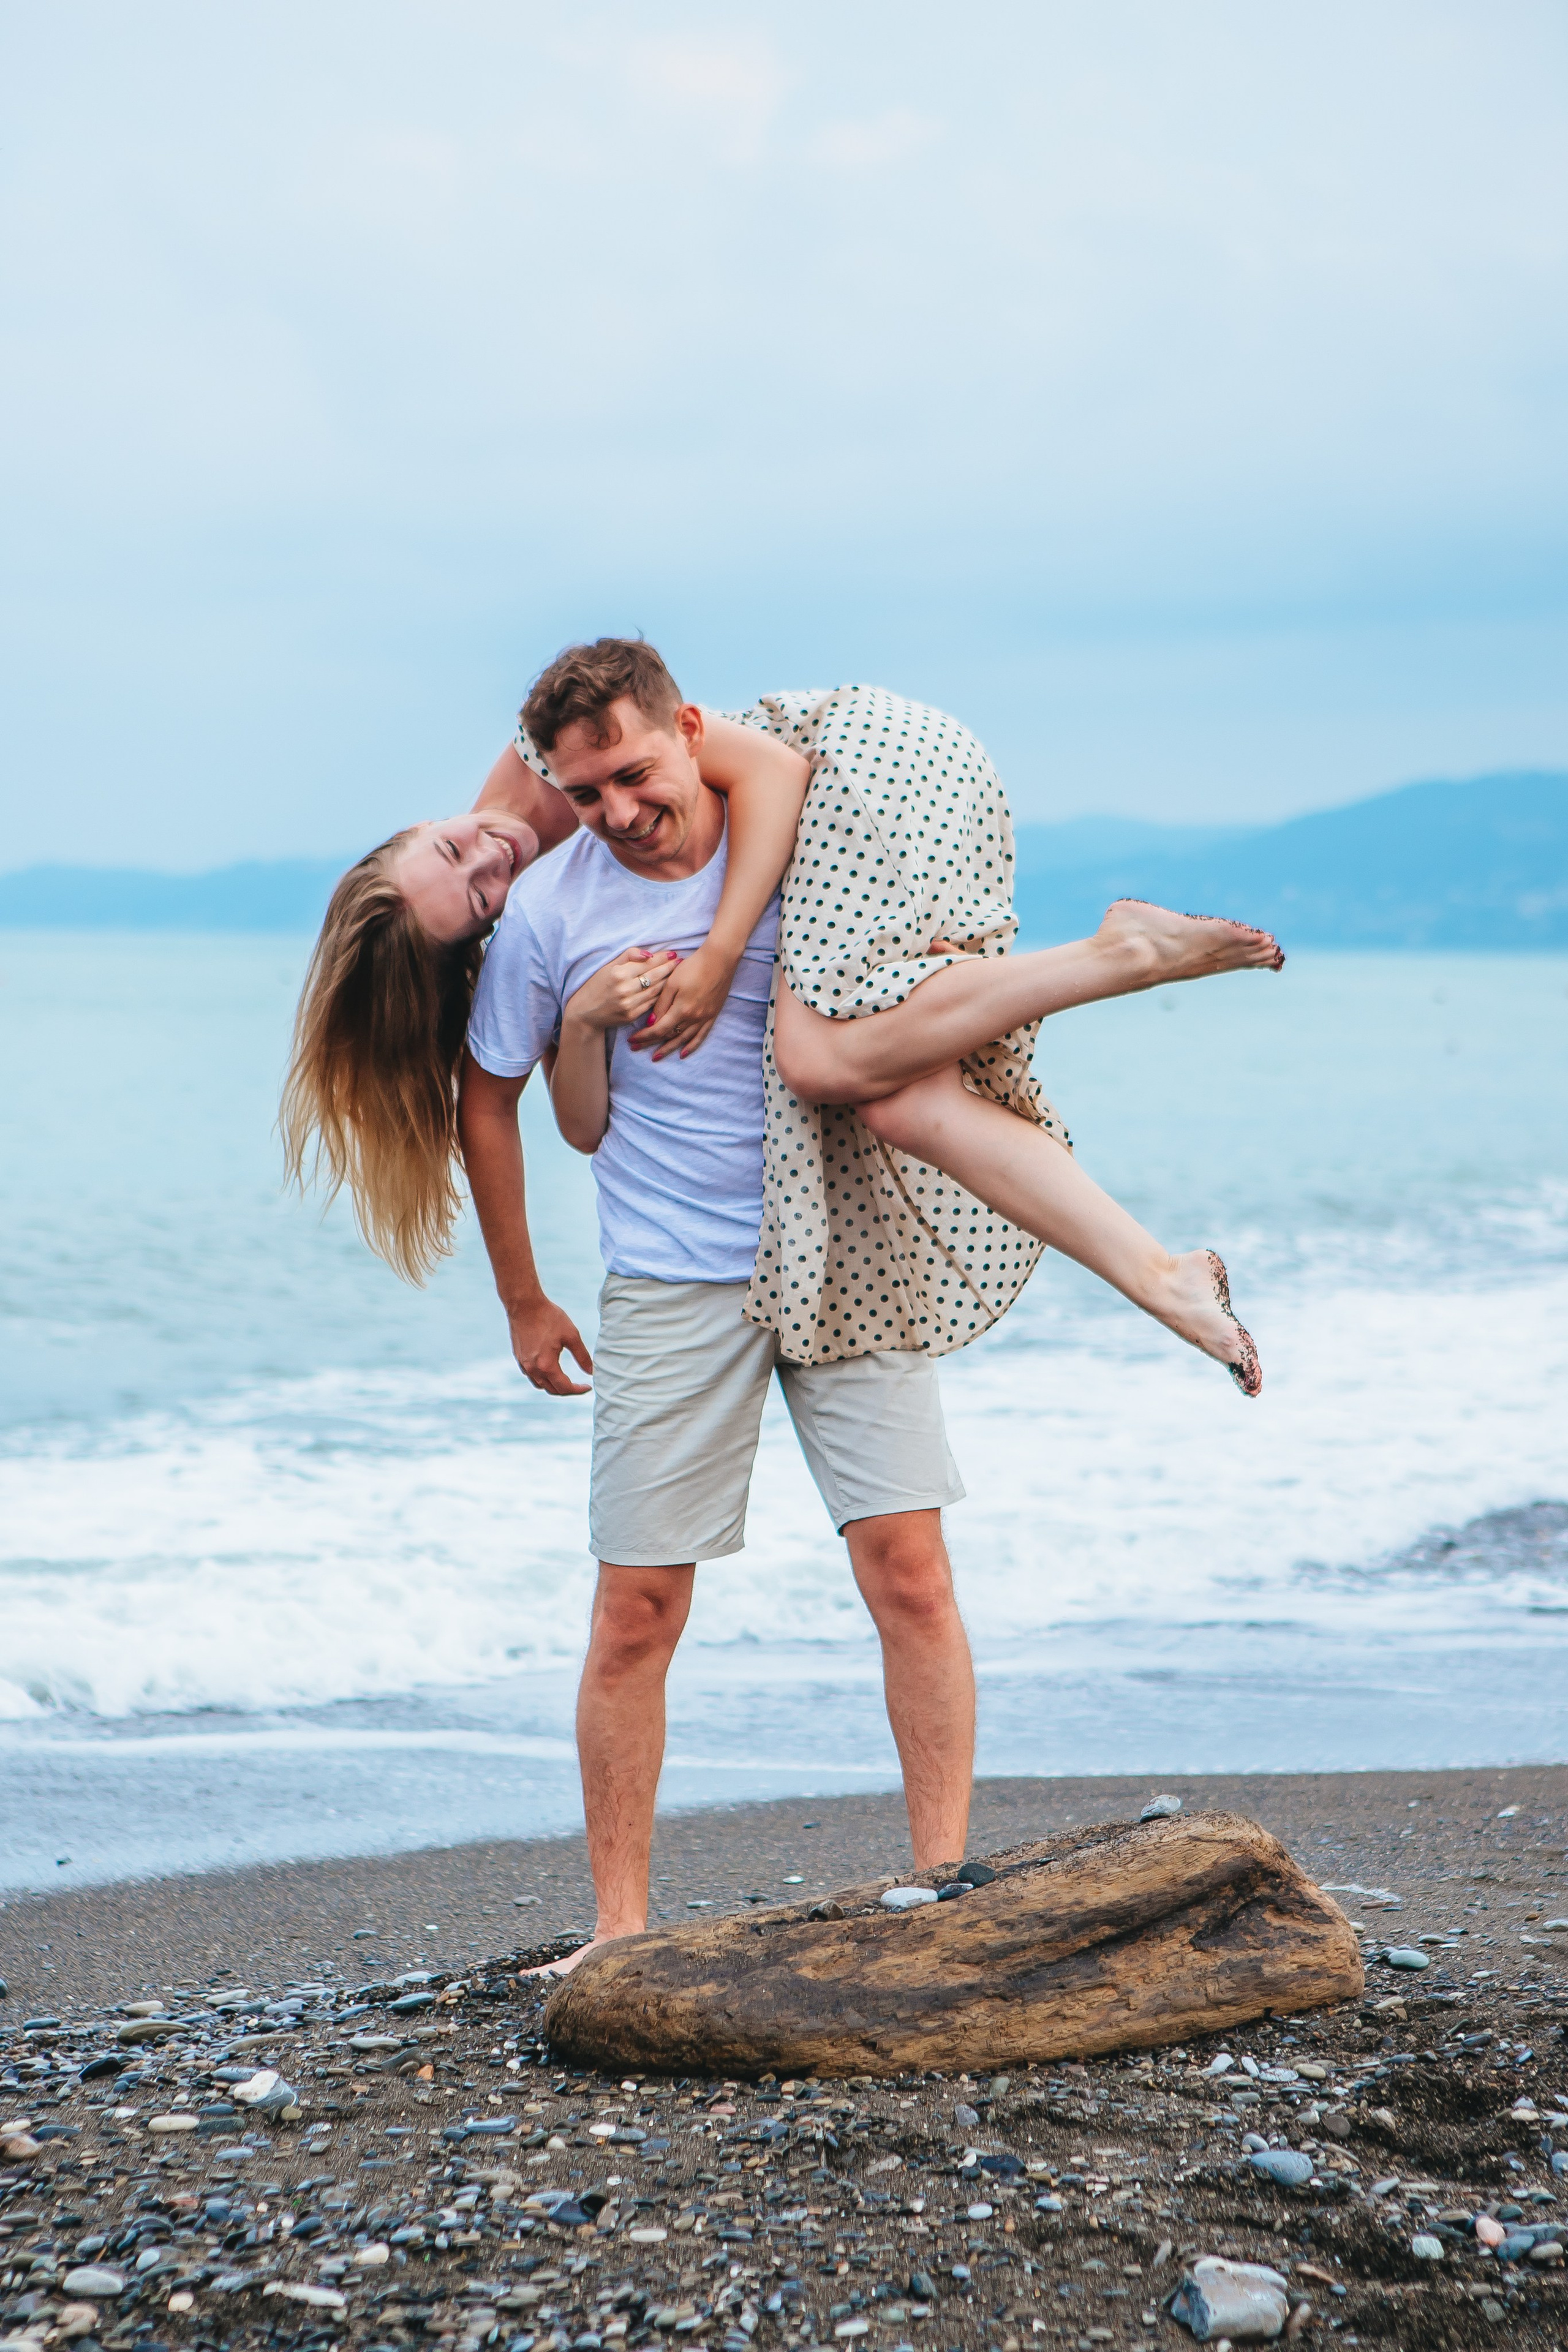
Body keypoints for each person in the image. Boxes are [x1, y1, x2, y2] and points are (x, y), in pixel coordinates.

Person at [283, 638, 1281, 1972]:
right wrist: (527, 1280)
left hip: (840, 1232)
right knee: (635, 1608)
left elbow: (809, 814)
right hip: (670, 1277)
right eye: (585, 798)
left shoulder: (789, 829)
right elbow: (530, 1115)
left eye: (633, 776)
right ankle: (619, 1933)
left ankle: (944, 1890)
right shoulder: (544, 917)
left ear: (679, 735)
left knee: (909, 1572)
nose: (602, 817)